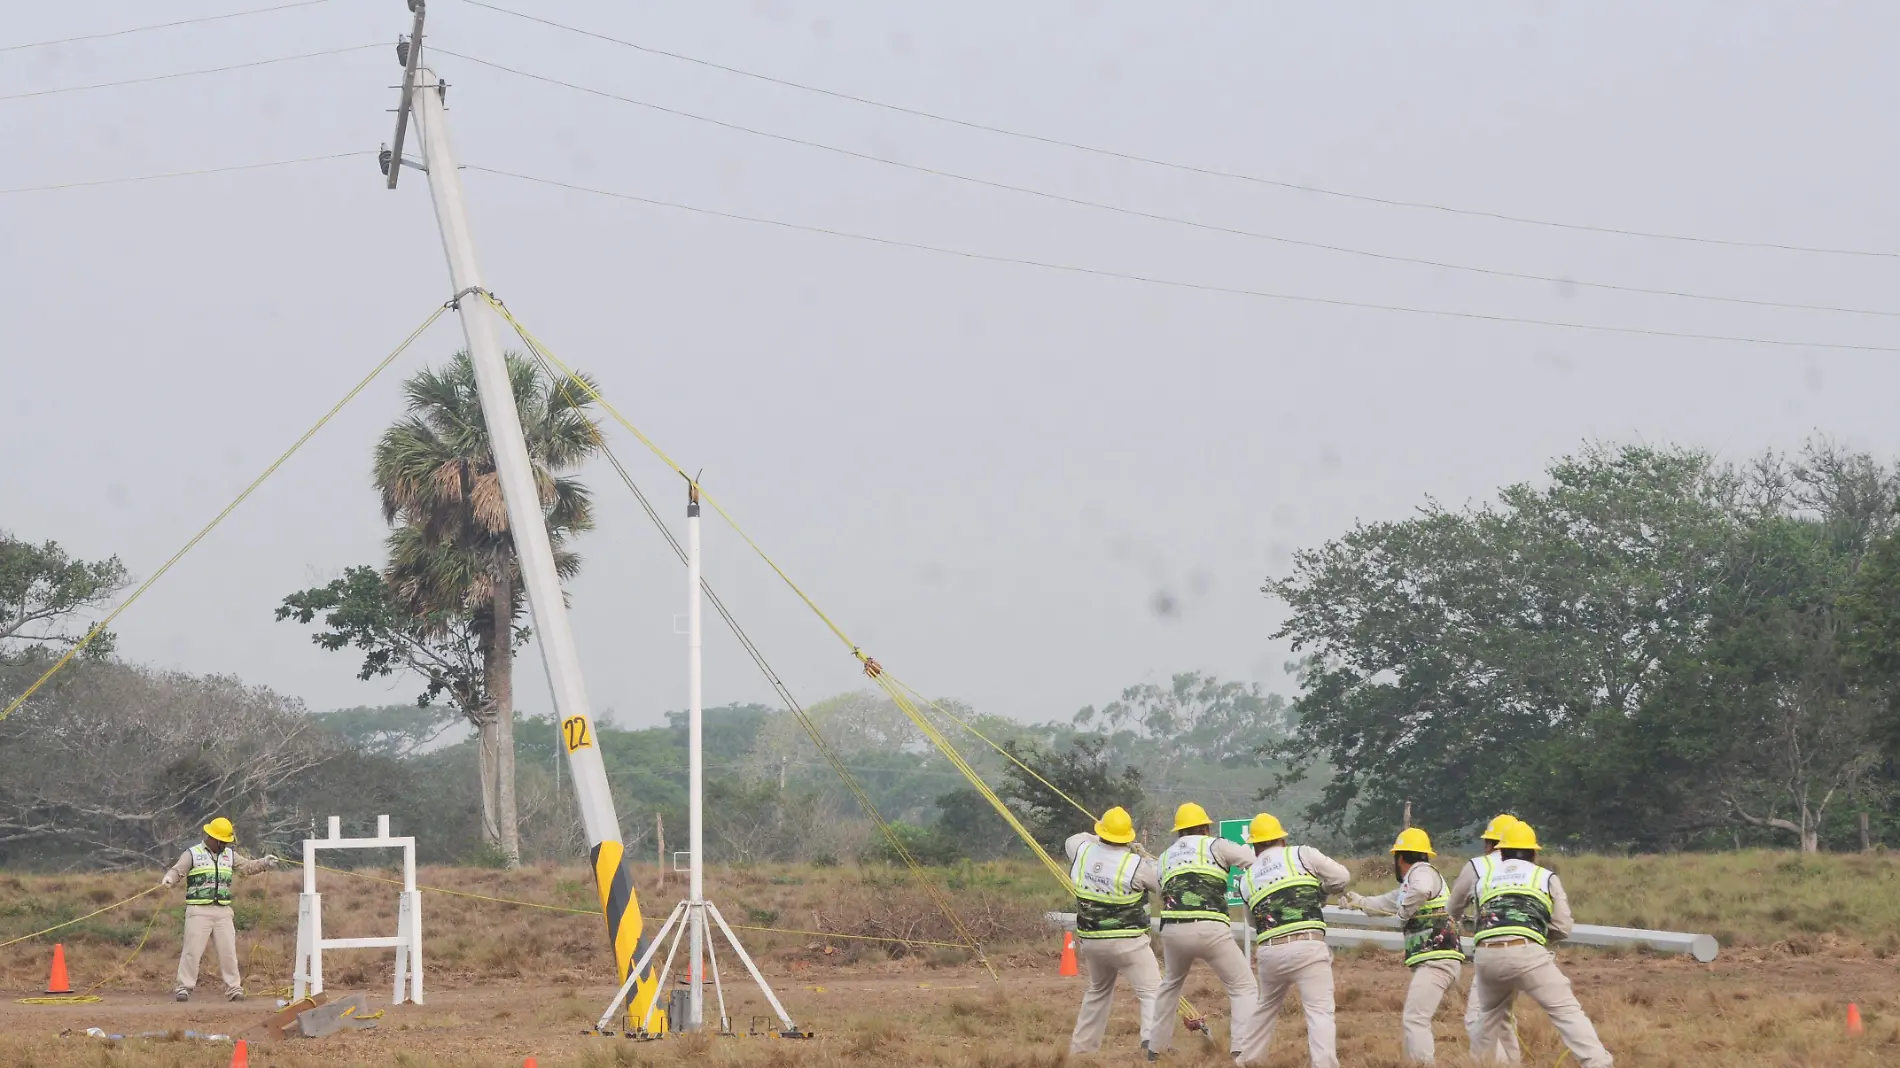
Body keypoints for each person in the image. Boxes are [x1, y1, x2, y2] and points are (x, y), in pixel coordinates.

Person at [1448, 821, 1613, 1068]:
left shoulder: (1484, 878)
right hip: (1526, 951)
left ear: (1500, 853)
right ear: (1534, 853)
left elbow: (1454, 910)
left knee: (1488, 1020)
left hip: (1485, 957)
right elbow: (1562, 927)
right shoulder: (1544, 876)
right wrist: (1537, 930)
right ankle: (1598, 1063)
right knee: (1566, 1011)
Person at [1235, 812, 1350, 1068]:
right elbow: (1341, 877)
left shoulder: (1246, 879)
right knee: (1319, 1011)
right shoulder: (1302, 854)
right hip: (1308, 945)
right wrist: (1320, 890)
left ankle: (1247, 1060)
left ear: (1255, 846)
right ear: (1282, 840)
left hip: (1270, 951)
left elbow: (1253, 922)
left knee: (1265, 1007)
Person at [1146, 802, 1259, 1060]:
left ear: (1179, 832)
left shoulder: (1165, 856)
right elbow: (1251, 861)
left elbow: (1162, 892)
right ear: (1206, 827)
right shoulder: (1217, 845)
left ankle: (1155, 1049)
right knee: (1243, 987)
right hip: (1211, 927)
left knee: (1170, 986)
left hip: (1173, 929)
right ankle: (1242, 1049)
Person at [1346, 827, 1464, 1064]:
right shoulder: (1411, 883)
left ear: (1400, 858)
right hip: (1436, 959)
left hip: (1436, 958)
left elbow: (1418, 893)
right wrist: (1358, 902)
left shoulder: (1422, 873)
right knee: (1416, 1018)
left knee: (1415, 1019)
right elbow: (1384, 902)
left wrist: (1405, 912)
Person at [1065, 805, 1162, 1055]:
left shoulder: (1081, 850)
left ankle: (1082, 1050)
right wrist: (1143, 853)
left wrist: (1101, 837)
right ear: (1128, 836)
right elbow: (1162, 883)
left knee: (1098, 991)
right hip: (1129, 942)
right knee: (1152, 991)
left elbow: (1075, 838)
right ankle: (1153, 1043)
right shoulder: (1136, 865)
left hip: (1092, 940)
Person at [159, 817, 275, 1002]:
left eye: (225, 842)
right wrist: (170, 879)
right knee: (192, 950)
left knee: (228, 951)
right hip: (198, 909)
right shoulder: (193, 853)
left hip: (222, 911)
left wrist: (264, 863)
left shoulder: (229, 855)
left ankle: (234, 989)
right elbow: (178, 870)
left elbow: (247, 866)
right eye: (221, 841)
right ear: (211, 837)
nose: (223, 845)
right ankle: (183, 988)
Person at [1461, 815, 1522, 1062]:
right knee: (1503, 1019)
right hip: (1528, 953)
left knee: (1478, 1016)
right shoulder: (1532, 870)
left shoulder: (1479, 866)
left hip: (1493, 950)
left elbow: (1455, 905)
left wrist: (1462, 918)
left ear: (1491, 844)